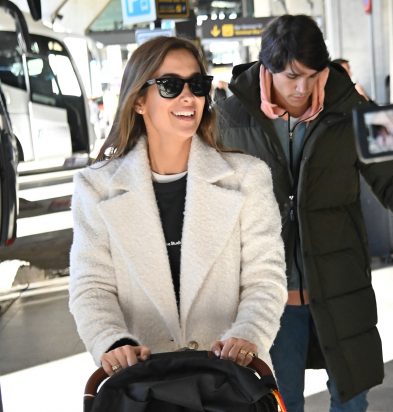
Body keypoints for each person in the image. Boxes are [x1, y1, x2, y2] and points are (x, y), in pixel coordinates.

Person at [215, 15, 393, 411]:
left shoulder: (352, 107)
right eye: (291, 77)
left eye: (312, 75)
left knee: (351, 399)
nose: (302, 88)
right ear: (267, 69)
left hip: (340, 286)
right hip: (269, 298)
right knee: (277, 403)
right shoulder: (230, 119)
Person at [68, 36, 288, 377]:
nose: (189, 97)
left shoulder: (248, 177)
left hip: (229, 382)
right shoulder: (95, 188)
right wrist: (111, 342)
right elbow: (91, 286)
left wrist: (247, 335)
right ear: (139, 100)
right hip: (143, 385)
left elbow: (265, 278)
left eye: (198, 85)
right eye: (171, 85)